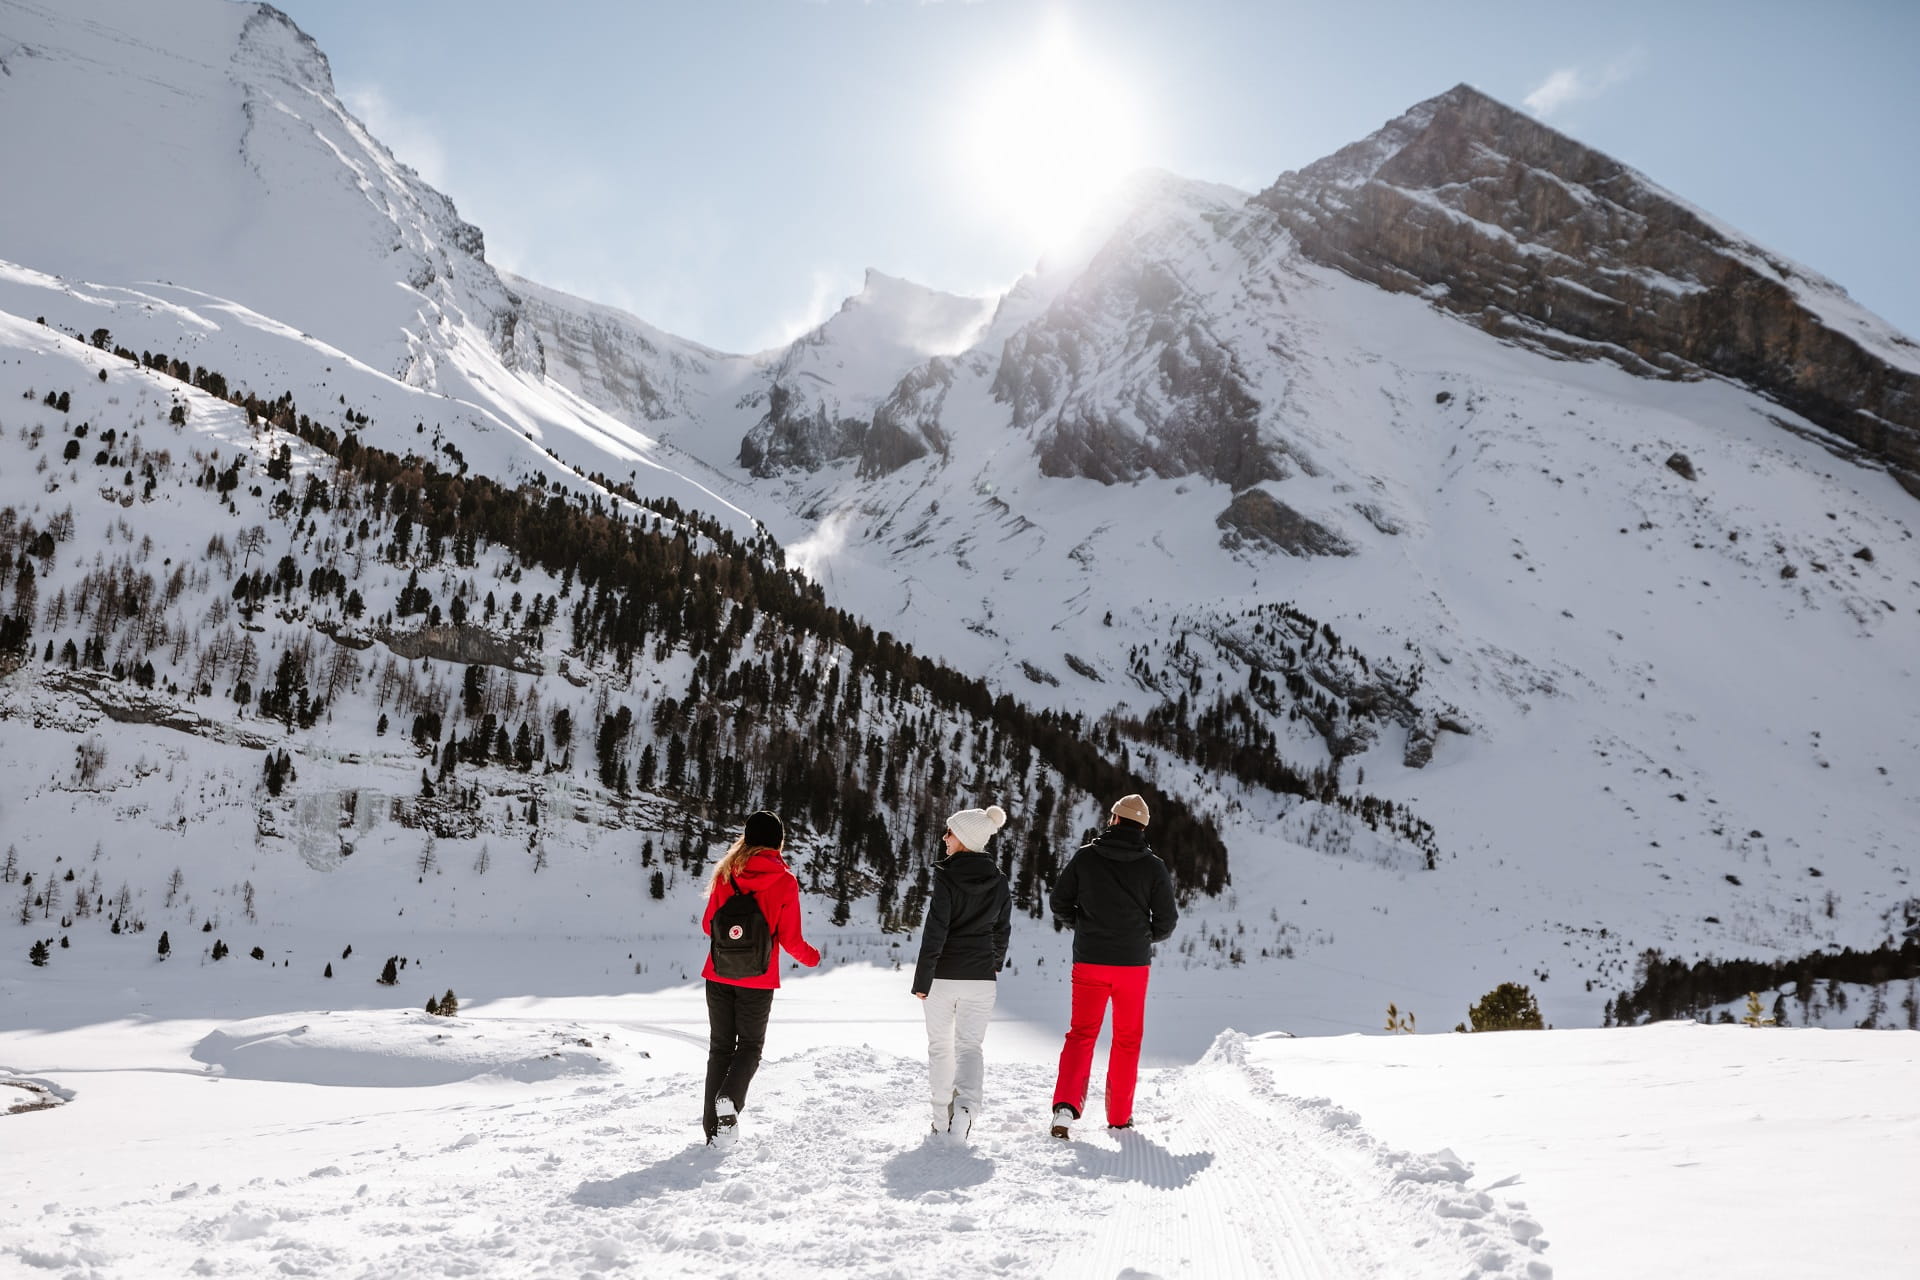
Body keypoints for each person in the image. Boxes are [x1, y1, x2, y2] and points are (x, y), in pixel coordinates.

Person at [1048, 793, 1178, 1138]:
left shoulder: (1086, 857)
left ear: (1115, 819)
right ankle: (1119, 1117)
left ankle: (1065, 1108)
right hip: (1132, 967)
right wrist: (1137, 937)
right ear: (1142, 827)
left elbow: (1059, 902)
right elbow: (1166, 923)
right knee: (1126, 1039)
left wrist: (1086, 927)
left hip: (1090, 961)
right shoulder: (1154, 867)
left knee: (1081, 1035)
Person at [699, 810, 820, 1146]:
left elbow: (709, 925)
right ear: (778, 842)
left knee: (720, 1049)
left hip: (718, 973)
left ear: (747, 838)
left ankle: (714, 1133)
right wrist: (813, 957)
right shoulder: (784, 880)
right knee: (749, 1047)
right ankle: (730, 1101)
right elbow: (792, 940)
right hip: (758, 979)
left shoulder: (726, 872)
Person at [911, 804, 1013, 1140]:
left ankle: (942, 1119)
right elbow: (1002, 930)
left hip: (943, 976)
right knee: (970, 1047)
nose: (945, 838)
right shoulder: (999, 882)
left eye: (950, 833)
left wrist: (922, 978)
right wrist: (993, 964)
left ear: (966, 839)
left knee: (940, 1047)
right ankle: (966, 1108)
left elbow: (936, 930)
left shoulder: (947, 876)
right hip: (981, 978)